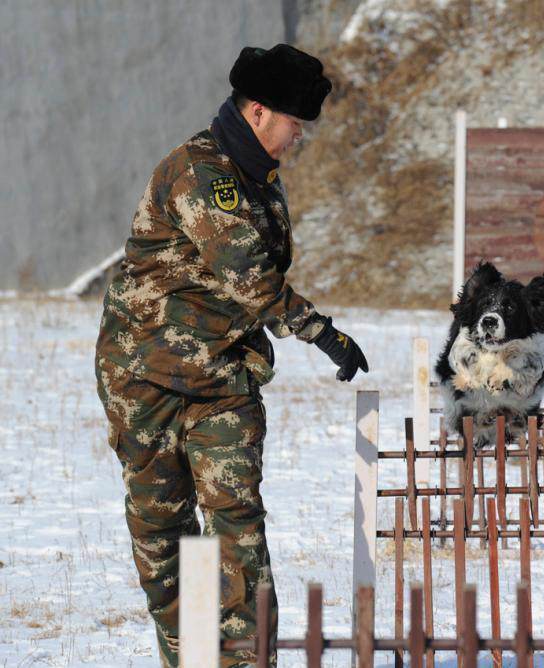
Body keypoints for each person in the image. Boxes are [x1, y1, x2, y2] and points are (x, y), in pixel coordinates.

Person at [94, 44, 367, 667]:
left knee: (236, 527)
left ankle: (246, 661)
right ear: (259, 111)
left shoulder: (258, 180)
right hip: (148, 379)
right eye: (296, 125)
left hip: (222, 379)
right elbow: (248, 274)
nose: (299, 138)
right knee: (167, 536)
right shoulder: (201, 172)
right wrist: (322, 333)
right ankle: (193, 655)